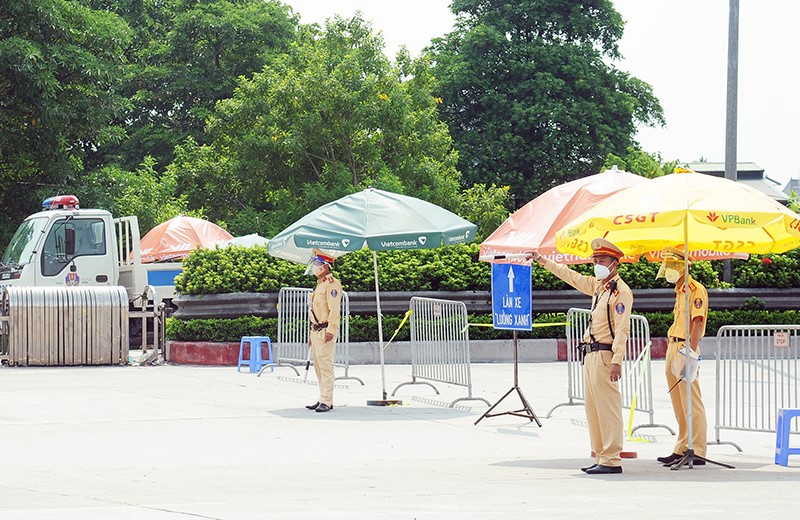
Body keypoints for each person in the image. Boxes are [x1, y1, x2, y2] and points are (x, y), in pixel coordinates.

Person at [529, 238, 633, 474]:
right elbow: (571, 276)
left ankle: (612, 458)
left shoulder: (621, 292)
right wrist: (543, 260)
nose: (597, 264)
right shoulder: (599, 286)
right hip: (590, 354)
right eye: (595, 260)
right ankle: (600, 454)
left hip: (606, 355)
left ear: (614, 263)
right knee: (594, 409)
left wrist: (617, 360)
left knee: (608, 409)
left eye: (602, 260)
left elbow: (622, 329)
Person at [655, 247, 709, 466]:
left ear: (683, 267)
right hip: (673, 346)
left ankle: (698, 449)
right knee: (679, 403)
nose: (669, 270)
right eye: (668, 266)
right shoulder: (680, 291)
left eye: (673, 266)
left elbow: (697, 322)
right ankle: (681, 447)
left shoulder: (696, 290)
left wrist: (692, 353)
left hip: (686, 348)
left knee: (692, 402)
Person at [304, 249, 343, 413]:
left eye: (317, 264)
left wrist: (331, 330)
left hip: (326, 329)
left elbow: (334, 310)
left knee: (326, 365)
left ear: (326, 266)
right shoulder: (320, 283)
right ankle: (322, 397)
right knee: (318, 366)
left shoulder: (332, 284)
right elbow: (316, 310)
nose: (315, 267)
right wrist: (311, 335)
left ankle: (327, 400)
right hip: (316, 330)